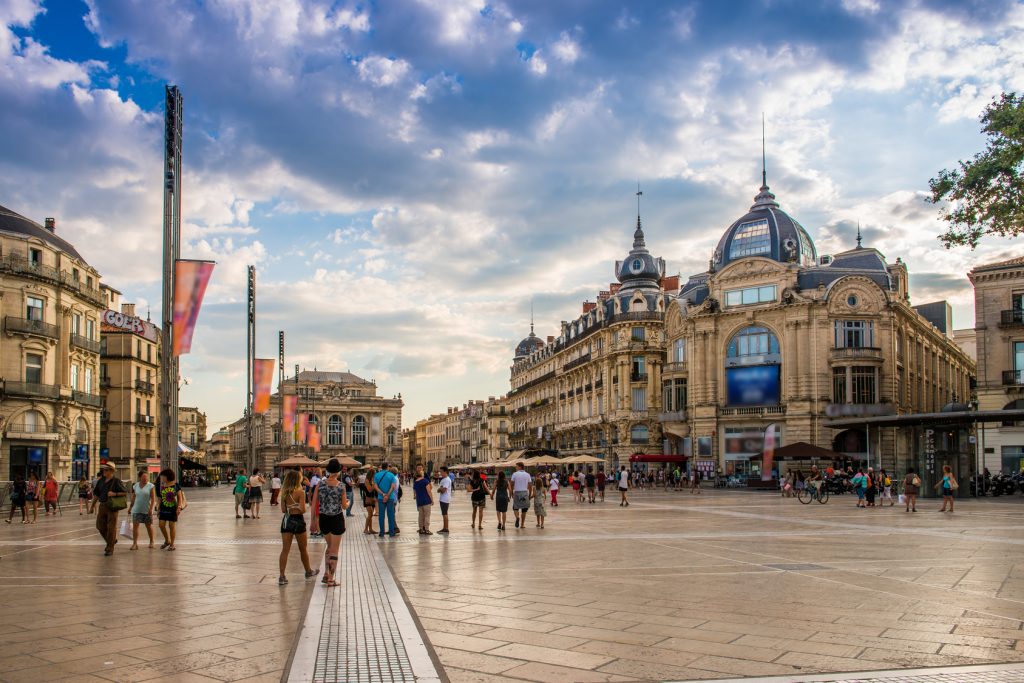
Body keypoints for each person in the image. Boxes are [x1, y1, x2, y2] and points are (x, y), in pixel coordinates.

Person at [278, 469, 318, 585]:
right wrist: (297, 506)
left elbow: (283, 510)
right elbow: (303, 509)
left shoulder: (284, 493)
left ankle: (282, 576)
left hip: (287, 520)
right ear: (297, 480)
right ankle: (308, 571)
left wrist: (291, 506)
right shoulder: (300, 492)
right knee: (303, 549)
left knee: (285, 550)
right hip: (298, 521)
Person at [315, 459, 347, 586]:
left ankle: (326, 573)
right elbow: (344, 506)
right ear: (338, 471)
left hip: (323, 519)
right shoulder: (341, 486)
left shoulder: (320, 484)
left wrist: (313, 521)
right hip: (336, 519)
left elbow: (313, 505)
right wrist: (348, 502)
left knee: (329, 548)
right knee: (334, 550)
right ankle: (331, 579)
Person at [93, 463, 127, 555]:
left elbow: (125, 492)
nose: (104, 471)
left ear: (112, 471)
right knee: (99, 526)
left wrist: (114, 494)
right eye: (104, 470)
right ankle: (111, 540)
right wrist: (92, 506)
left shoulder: (116, 481)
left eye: (106, 470)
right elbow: (96, 494)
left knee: (111, 528)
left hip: (112, 506)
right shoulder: (101, 481)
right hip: (102, 505)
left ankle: (110, 548)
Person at [157, 468, 186, 550]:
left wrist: (179, 507)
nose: (162, 478)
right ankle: (167, 540)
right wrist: (158, 508)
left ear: (168, 476)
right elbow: (160, 498)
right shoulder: (162, 486)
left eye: (163, 476)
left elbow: (180, 498)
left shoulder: (176, 485)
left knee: (171, 525)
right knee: (161, 525)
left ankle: (172, 544)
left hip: (173, 508)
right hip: (163, 508)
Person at [129, 469, 156, 550]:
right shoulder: (135, 485)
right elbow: (134, 497)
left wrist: (151, 509)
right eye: (144, 477)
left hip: (147, 510)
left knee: (148, 526)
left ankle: (151, 541)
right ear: (139, 477)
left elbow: (153, 499)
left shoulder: (151, 486)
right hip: (136, 509)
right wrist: (130, 507)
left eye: (146, 477)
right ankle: (135, 543)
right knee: (135, 527)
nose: (145, 478)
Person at [374, 462, 399, 537]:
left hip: (381, 498)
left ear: (381, 467)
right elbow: (393, 487)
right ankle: (391, 532)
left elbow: (375, 487)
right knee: (390, 515)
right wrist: (387, 495)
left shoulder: (377, 475)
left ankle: (382, 532)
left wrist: (383, 494)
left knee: (381, 515)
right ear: (388, 467)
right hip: (390, 498)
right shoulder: (391, 475)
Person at [413, 465, 434, 534]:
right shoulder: (425, 481)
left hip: (419, 501)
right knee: (427, 515)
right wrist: (432, 500)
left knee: (420, 516)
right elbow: (429, 491)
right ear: (422, 474)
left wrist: (415, 496)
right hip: (426, 500)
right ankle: (427, 529)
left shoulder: (415, 482)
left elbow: (415, 492)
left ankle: (421, 529)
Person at [510, 462, 532, 529]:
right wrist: (530, 494)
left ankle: (517, 517)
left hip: (517, 492)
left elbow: (511, 484)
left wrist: (511, 493)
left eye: (516, 466)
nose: (515, 468)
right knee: (524, 509)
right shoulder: (528, 475)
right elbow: (530, 485)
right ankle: (522, 524)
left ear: (520, 467)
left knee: (515, 508)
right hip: (524, 492)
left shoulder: (514, 474)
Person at [361, 466, 377, 534]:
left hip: (372, 498)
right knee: (370, 514)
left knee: (371, 514)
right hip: (367, 498)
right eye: (374, 474)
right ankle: (365, 529)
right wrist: (374, 485)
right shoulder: (367, 480)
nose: (375, 475)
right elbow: (370, 490)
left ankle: (370, 529)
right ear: (371, 474)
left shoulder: (372, 480)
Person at [436, 466, 452, 534]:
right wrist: (440, 489)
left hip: (445, 499)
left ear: (445, 472)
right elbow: (439, 489)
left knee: (445, 513)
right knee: (444, 513)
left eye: (441, 472)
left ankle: (446, 528)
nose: (440, 473)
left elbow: (443, 490)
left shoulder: (447, 480)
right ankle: (444, 527)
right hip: (443, 499)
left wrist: (440, 489)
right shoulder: (443, 479)